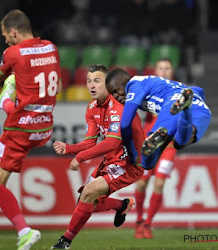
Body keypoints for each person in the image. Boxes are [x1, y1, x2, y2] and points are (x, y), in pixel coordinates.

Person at [0, 9, 61, 250]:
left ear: (14, 31)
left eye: (5, 35)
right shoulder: (51, 48)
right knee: (20, 86)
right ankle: (5, 103)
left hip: (19, 130)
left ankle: (25, 232)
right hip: (44, 127)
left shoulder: (13, 52)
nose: (5, 39)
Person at [51, 64, 145, 249]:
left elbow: (111, 143)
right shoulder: (92, 108)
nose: (91, 85)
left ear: (108, 84)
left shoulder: (117, 107)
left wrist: (79, 158)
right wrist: (69, 148)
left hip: (131, 163)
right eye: (88, 81)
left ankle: (65, 241)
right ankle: (122, 205)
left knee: (88, 193)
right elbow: (89, 142)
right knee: (85, 202)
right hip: (112, 159)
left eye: (97, 81)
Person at [105, 67, 211, 170]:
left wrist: (132, 153)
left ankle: (182, 113)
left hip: (171, 103)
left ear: (125, 81)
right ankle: (186, 110)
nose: (115, 96)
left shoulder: (134, 85)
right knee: (182, 142)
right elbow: (199, 90)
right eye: (112, 94)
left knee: (147, 163)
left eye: (116, 91)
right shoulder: (153, 82)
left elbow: (125, 124)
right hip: (200, 106)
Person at [134, 59, 177, 239]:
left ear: (172, 71)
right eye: (161, 68)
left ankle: (148, 223)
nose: (164, 71)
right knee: (142, 182)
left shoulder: (179, 90)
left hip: (168, 146)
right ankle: (138, 221)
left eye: (167, 68)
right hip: (149, 144)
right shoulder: (150, 88)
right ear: (155, 71)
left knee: (159, 183)